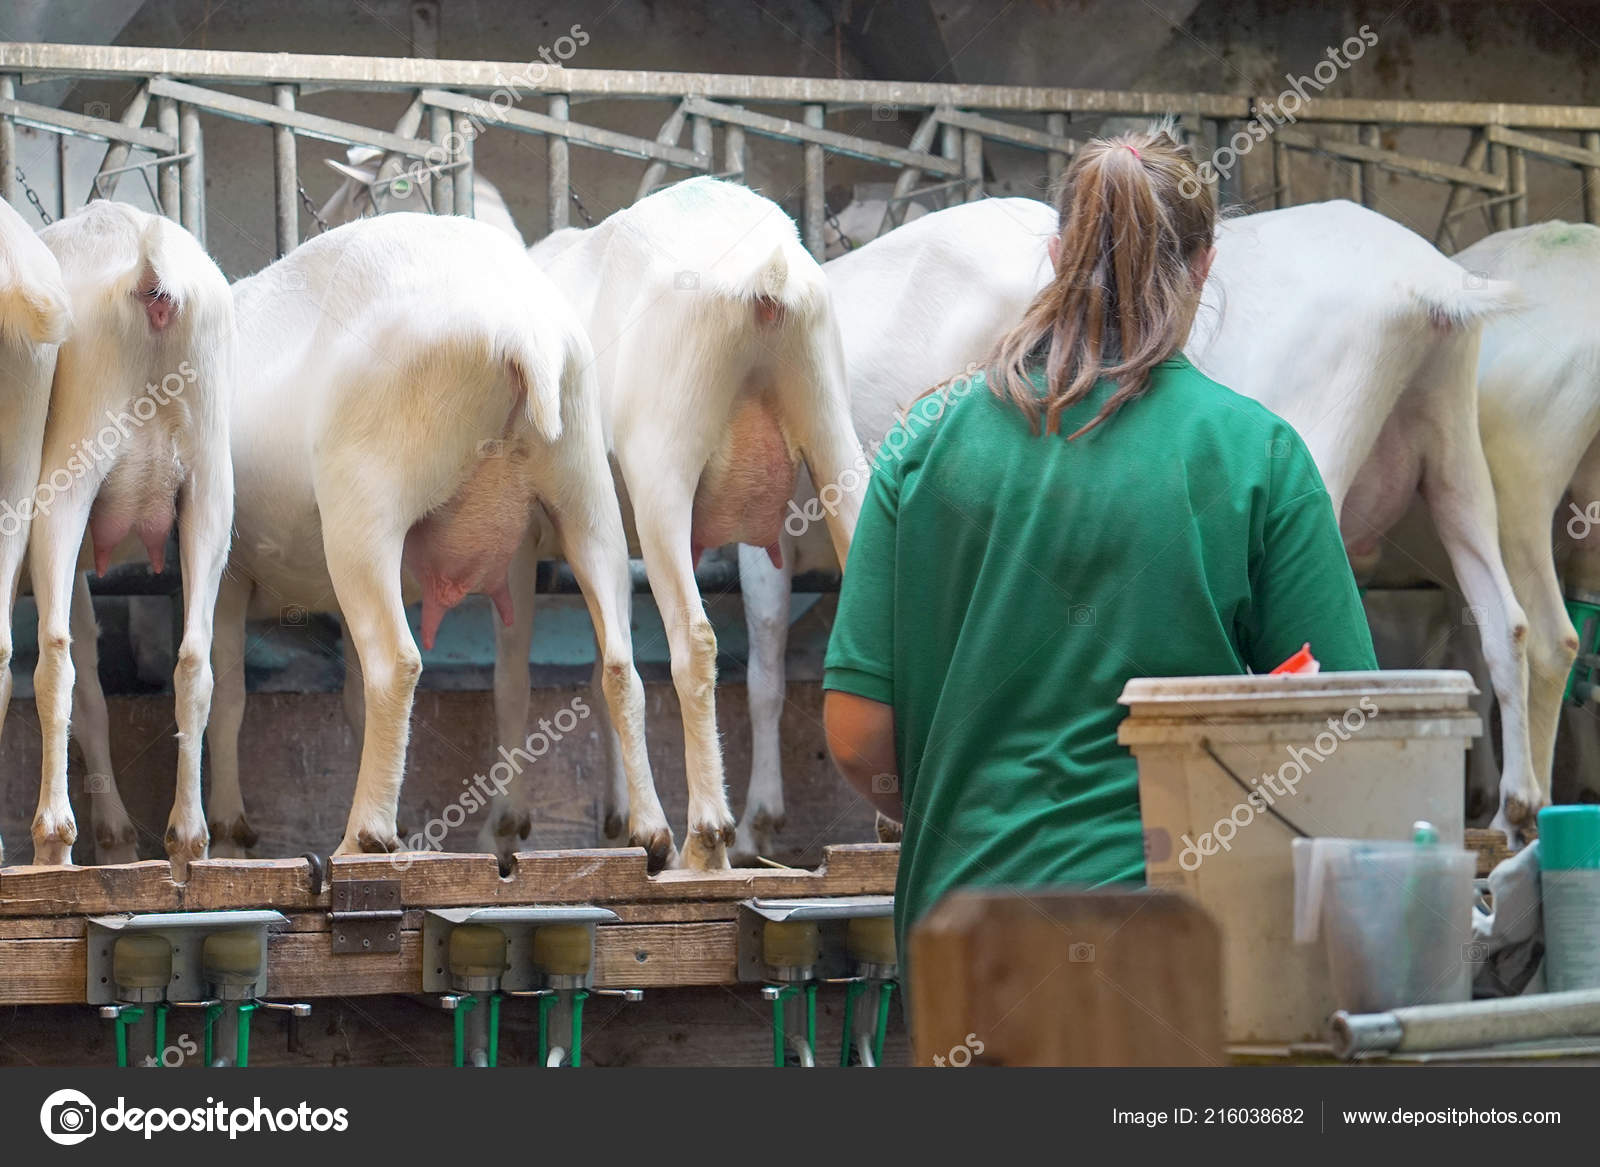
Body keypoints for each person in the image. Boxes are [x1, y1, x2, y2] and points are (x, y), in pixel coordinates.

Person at [821, 123, 1378, 968]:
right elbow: (1346, 732)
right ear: (1204, 264)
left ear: (1055, 255)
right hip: (1182, 949)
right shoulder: (1258, 455)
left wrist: (959, 806)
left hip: (965, 945)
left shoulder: (922, 441)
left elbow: (859, 735)